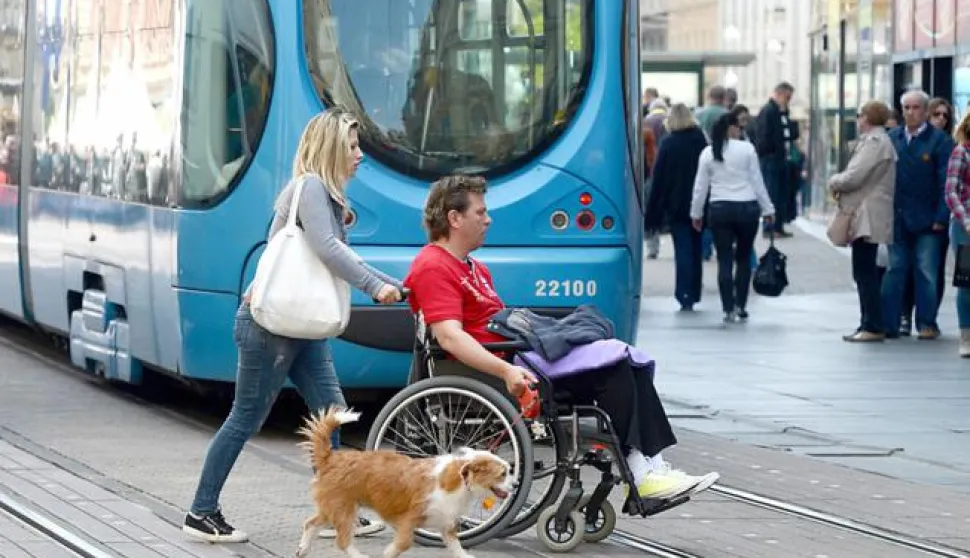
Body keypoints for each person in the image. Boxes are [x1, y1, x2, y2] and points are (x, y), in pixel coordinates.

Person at [403, 175, 720, 504]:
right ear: (454, 219)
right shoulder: (433, 267)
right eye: (480, 212)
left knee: (627, 362)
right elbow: (450, 338)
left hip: (516, 354)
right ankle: (640, 474)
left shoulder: (475, 268)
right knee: (611, 371)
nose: (488, 219)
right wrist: (506, 371)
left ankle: (652, 466)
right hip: (500, 368)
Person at [182, 108, 403, 543]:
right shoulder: (312, 188)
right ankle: (201, 511)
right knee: (245, 419)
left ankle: (338, 509)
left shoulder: (325, 195)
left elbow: (340, 255)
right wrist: (376, 287)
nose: (360, 155)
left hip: (301, 327)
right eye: (353, 147)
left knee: (332, 414)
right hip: (271, 329)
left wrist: (397, 283)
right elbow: (327, 250)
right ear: (332, 149)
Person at [690, 112, 776, 323]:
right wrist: (768, 209)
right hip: (747, 208)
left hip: (720, 209)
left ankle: (728, 307)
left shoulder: (708, 153)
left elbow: (700, 187)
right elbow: (757, 181)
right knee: (744, 258)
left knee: (724, 259)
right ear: (732, 128)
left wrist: (696, 213)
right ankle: (741, 305)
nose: (741, 130)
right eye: (739, 127)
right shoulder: (747, 149)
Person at [882, 89, 953, 340]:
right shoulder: (892, 138)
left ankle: (926, 323)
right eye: (907, 108)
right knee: (895, 270)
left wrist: (941, 217)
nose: (911, 113)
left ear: (925, 111)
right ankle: (889, 323)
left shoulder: (941, 142)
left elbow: (946, 181)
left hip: (928, 221)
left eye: (916, 108)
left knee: (926, 272)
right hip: (898, 218)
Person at [826, 100, 896, 342]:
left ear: (867, 118)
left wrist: (834, 180)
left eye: (859, 115)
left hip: (866, 213)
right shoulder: (877, 141)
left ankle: (872, 325)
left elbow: (855, 176)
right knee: (865, 270)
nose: (857, 120)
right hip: (866, 211)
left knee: (865, 271)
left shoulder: (875, 143)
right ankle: (868, 322)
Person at [644, 103, 709, 311]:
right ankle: (695, 291)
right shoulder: (700, 140)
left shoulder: (668, 143)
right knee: (696, 248)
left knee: (682, 250)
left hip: (676, 205)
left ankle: (684, 294)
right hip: (699, 203)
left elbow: (660, 178)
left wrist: (654, 211)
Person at [944, 110, 970, 357]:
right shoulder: (961, 152)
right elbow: (951, 192)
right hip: (965, 227)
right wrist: (967, 220)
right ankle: (966, 336)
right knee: (967, 284)